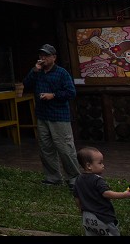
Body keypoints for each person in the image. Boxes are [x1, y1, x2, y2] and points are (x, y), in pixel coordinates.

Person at [22, 43, 82, 189]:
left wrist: (53, 95)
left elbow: (71, 92)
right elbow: (26, 84)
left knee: (65, 149)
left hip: (59, 116)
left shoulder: (62, 73)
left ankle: (74, 178)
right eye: (41, 55)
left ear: (54, 57)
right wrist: (34, 71)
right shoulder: (38, 72)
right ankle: (53, 177)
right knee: (46, 148)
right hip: (42, 115)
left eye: (46, 55)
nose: (43, 58)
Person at [73, 146, 130, 236]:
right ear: (89, 166)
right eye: (100, 163)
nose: (103, 165)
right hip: (103, 217)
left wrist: (81, 210)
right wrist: (124, 194)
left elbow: (77, 198)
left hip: (87, 217)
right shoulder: (97, 180)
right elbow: (106, 193)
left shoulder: (78, 179)